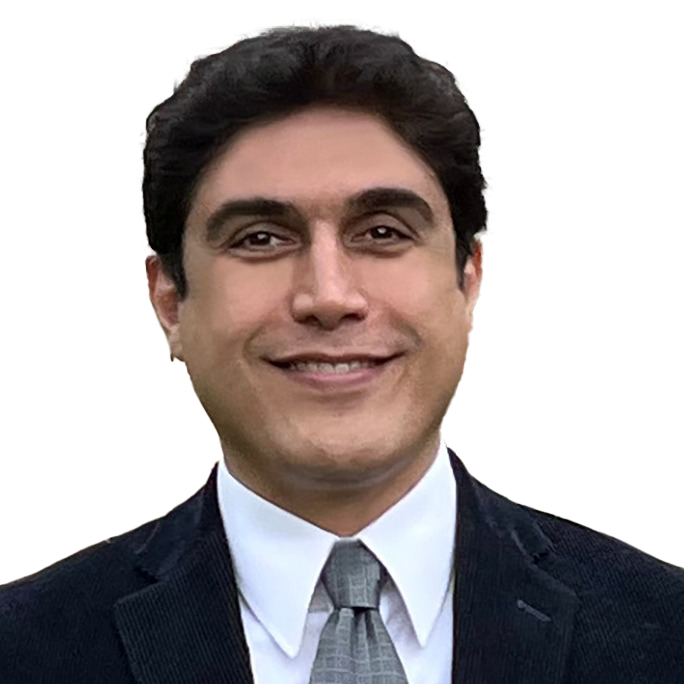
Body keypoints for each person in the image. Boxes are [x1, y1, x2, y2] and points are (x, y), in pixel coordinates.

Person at [1, 20, 682, 684]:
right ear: (169, 299)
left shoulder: (666, 632)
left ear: (469, 275)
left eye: (382, 231)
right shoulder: (22, 648)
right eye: (261, 238)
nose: (328, 296)